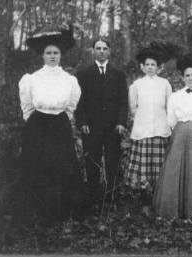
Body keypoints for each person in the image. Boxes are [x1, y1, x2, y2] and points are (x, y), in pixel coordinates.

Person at [18, 24, 83, 222]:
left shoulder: (69, 80)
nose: (53, 56)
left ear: (61, 55)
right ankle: (37, 211)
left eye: (56, 52)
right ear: (43, 55)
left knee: (61, 166)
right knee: (38, 167)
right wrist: (37, 124)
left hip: (60, 125)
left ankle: (60, 211)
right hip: (38, 126)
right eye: (49, 53)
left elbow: (71, 105)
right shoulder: (31, 79)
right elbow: (27, 106)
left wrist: (61, 120)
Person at [153, 52, 192, 219]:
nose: (190, 78)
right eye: (187, 75)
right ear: (182, 77)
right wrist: (182, 129)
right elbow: (171, 120)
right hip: (180, 134)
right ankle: (174, 210)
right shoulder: (175, 96)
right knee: (176, 169)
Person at [75, 39, 128, 208]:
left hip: (113, 127)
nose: (102, 51)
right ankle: (93, 197)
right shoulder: (83, 74)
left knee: (113, 162)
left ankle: (111, 197)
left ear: (110, 51)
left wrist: (121, 122)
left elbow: (123, 101)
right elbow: (79, 101)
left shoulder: (118, 74)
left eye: (105, 48)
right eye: (98, 48)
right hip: (91, 127)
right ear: (93, 51)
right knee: (92, 162)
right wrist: (82, 122)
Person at [124, 42, 174, 195]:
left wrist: (168, 123)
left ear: (158, 67)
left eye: (153, 64)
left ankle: (158, 189)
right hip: (143, 128)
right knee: (144, 160)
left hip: (160, 128)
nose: (150, 67)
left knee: (158, 161)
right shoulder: (136, 85)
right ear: (142, 67)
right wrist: (140, 119)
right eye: (147, 64)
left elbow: (169, 105)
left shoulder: (165, 84)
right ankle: (142, 190)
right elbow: (133, 107)